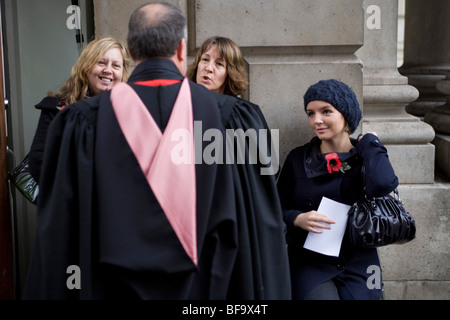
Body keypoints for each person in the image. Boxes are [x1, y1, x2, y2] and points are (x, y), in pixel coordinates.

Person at [22, 2, 260, 300]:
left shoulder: (79, 122)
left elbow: (60, 232)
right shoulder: (237, 119)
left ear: (131, 54)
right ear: (182, 48)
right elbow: (256, 225)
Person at [188, 36, 291, 299]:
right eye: (204, 59)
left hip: (238, 219)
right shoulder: (182, 109)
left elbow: (267, 170)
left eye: (219, 64)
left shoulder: (244, 114)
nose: (208, 68)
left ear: (230, 72)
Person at [277, 79, 399, 300]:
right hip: (310, 262)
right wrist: (297, 218)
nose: (317, 120)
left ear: (345, 116)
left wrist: (371, 144)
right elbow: (274, 206)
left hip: (360, 261)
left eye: (326, 111)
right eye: (310, 113)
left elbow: (383, 185)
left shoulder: (365, 157)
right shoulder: (297, 159)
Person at [28, 36, 131, 185]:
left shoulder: (131, 112)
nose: (108, 70)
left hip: (115, 204)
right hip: (73, 203)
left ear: (122, 74)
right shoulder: (57, 108)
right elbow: (39, 163)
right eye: (101, 62)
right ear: (86, 66)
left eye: (116, 65)